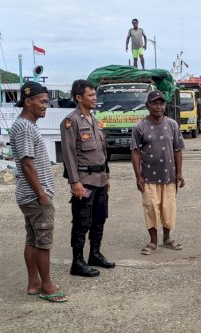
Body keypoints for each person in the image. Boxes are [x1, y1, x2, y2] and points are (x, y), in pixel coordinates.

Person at [9, 81, 67, 303]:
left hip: (29, 195)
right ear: (28, 101)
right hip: (35, 197)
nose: (46, 106)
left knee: (33, 239)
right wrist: (42, 195)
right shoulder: (24, 127)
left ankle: (34, 282)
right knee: (43, 242)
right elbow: (26, 164)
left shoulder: (25, 125)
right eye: (42, 102)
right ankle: (46, 286)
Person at [60, 79, 115, 278]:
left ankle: (94, 254)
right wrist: (75, 182)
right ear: (78, 98)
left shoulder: (95, 120)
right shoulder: (71, 121)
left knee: (100, 218)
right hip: (84, 180)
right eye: (90, 95)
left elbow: (102, 151)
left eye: (94, 95)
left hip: (100, 179)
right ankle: (77, 262)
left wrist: (107, 178)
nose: (94, 99)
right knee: (82, 222)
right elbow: (68, 155)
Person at [131, 90, 185, 255]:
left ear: (165, 106)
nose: (158, 107)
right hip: (148, 177)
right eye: (154, 103)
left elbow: (178, 150)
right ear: (148, 106)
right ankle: (153, 242)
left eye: (161, 103)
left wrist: (179, 173)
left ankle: (167, 239)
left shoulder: (172, 125)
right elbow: (135, 152)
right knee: (151, 208)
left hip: (169, 176)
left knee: (168, 208)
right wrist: (138, 176)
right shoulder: (139, 127)